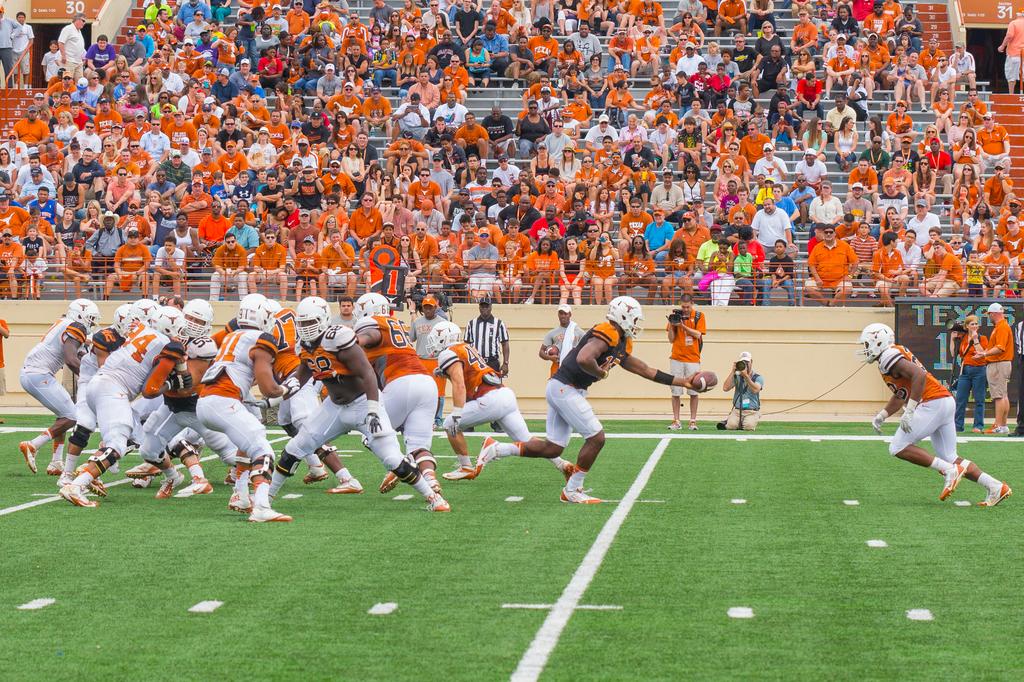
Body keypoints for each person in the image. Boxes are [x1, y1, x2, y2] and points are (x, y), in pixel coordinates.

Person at [478, 297, 713, 503]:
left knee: (553, 448)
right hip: (566, 387)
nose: (636, 325)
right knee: (597, 438)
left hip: (563, 387)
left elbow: (645, 370)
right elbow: (584, 358)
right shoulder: (609, 332)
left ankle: (496, 449)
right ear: (623, 316)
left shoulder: (619, 340)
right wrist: (600, 373)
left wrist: (685, 382)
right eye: (634, 319)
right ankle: (572, 490)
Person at [859, 323, 1012, 507]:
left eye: (867, 344)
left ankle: (949, 471)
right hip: (943, 401)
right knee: (950, 457)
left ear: (878, 341)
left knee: (898, 447)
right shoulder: (892, 354)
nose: (865, 348)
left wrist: (910, 410)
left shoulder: (888, 356)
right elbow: (902, 393)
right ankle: (995, 486)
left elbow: (919, 376)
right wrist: (883, 414)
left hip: (933, 402)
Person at [18, 299, 99, 474]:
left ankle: (55, 462)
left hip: (35, 373)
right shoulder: (75, 327)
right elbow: (71, 359)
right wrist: (91, 379)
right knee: (72, 416)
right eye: (90, 318)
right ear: (80, 314)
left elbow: (80, 354)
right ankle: (33, 445)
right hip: (38, 374)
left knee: (64, 414)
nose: (91, 323)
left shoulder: (64, 323)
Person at [409, 294, 450, 429]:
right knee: (421, 391)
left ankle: (437, 419)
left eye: (430, 307)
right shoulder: (417, 322)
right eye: (425, 307)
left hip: (437, 360)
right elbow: (411, 338)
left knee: (439, 392)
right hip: (421, 360)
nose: (427, 310)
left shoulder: (442, 322)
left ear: (435, 308)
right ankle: (422, 417)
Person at [667, 294, 706, 431]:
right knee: (675, 392)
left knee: (694, 391)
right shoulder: (675, 316)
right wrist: (673, 326)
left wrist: (682, 326)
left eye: (687, 307)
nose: (685, 310)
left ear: (692, 304)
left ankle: (693, 421)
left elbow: (698, 334)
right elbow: (671, 339)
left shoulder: (698, 316)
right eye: (683, 307)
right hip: (676, 357)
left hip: (693, 358)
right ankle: (676, 420)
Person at [979, 302, 1014, 434]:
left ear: (993, 313)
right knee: (1003, 395)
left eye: (989, 314)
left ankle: (998, 425)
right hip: (1002, 362)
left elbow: (1000, 347)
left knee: (999, 396)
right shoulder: (1001, 326)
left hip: (998, 363)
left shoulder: (1002, 327)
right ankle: (1003, 425)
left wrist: (984, 353)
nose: (989, 316)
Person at [950, 315, 988, 433]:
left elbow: (982, 352)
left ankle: (978, 426)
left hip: (979, 370)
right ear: (966, 326)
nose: (975, 326)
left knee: (979, 399)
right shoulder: (963, 338)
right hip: (965, 370)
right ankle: (958, 425)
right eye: (972, 324)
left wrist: (976, 339)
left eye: (976, 324)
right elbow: (953, 354)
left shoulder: (983, 338)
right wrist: (952, 339)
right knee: (961, 399)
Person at [464, 297, 509, 376]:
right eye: (482, 306)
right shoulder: (471, 324)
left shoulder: (499, 323)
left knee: (493, 387)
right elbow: (466, 345)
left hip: (492, 363)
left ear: (491, 307)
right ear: (479, 308)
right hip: (476, 363)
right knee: (475, 387)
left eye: (487, 306)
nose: (484, 309)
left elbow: (505, 344)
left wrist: (505, 363)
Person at [718, 351, 762, 431]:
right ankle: (734, 421)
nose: (745, 364)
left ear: (751, 362)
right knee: (731, 426)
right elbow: (725, 388)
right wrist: (732, 372)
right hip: (737, 410)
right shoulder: (737, 376)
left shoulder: (757, 377)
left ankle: (743, 422)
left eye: (747, 362)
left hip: (752, 411)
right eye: (743, 362)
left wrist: (746, 376)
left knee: (749, 427)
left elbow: (756, 389)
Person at [540, 304, 585, 379]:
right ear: (558, 314)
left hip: (574, 366)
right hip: (557, 366)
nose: (563, 316)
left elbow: (588, 347)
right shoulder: (552, 333)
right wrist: (550, 357)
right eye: (561, 313)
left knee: (573, 389)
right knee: (555, 389)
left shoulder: (579, 331)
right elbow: (541, 351)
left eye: (565, 313)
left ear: (570, 314)